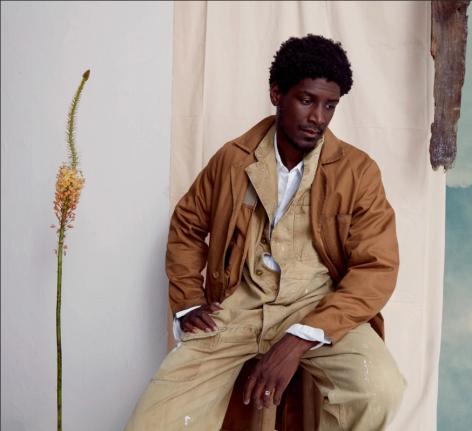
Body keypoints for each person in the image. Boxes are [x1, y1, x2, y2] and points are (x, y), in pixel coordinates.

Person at [127, 34, 405, 430]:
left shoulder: (358, 172)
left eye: (330, 105)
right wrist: (188, 301)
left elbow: (376, 268)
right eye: (306, 100)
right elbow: (187, 225)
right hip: (238, 306)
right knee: (154, 422)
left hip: (320, 306)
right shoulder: (233, 160)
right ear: (277, 94)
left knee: (380, 390)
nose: (318, 117)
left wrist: (301, 337)